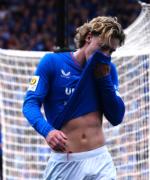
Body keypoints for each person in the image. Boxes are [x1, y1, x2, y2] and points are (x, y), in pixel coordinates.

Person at [23, 16, 125, 180]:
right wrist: (47, 131)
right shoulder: (52, 63)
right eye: (103, 47)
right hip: (66, 162)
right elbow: (30, 104)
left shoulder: (108, 70)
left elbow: (116, 116)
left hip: (100, 161)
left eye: (111, 51)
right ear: (89, 37)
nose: (106, 55)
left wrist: (103, 77)